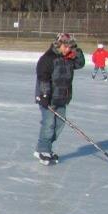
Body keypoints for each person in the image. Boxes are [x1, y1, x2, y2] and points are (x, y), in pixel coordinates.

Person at [34, 33, 85, 166]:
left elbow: (80, 64)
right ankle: (43, 149)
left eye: (70, 46)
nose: (68, 49)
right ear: (59, 44)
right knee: (49, 124)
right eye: (66, 46)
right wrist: (45, 95)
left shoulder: (69, 58)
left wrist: (77, 51)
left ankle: (46, 147)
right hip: (48, 97)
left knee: (59, 125)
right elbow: (43, 77)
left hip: (62, 97)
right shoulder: (48, 58)